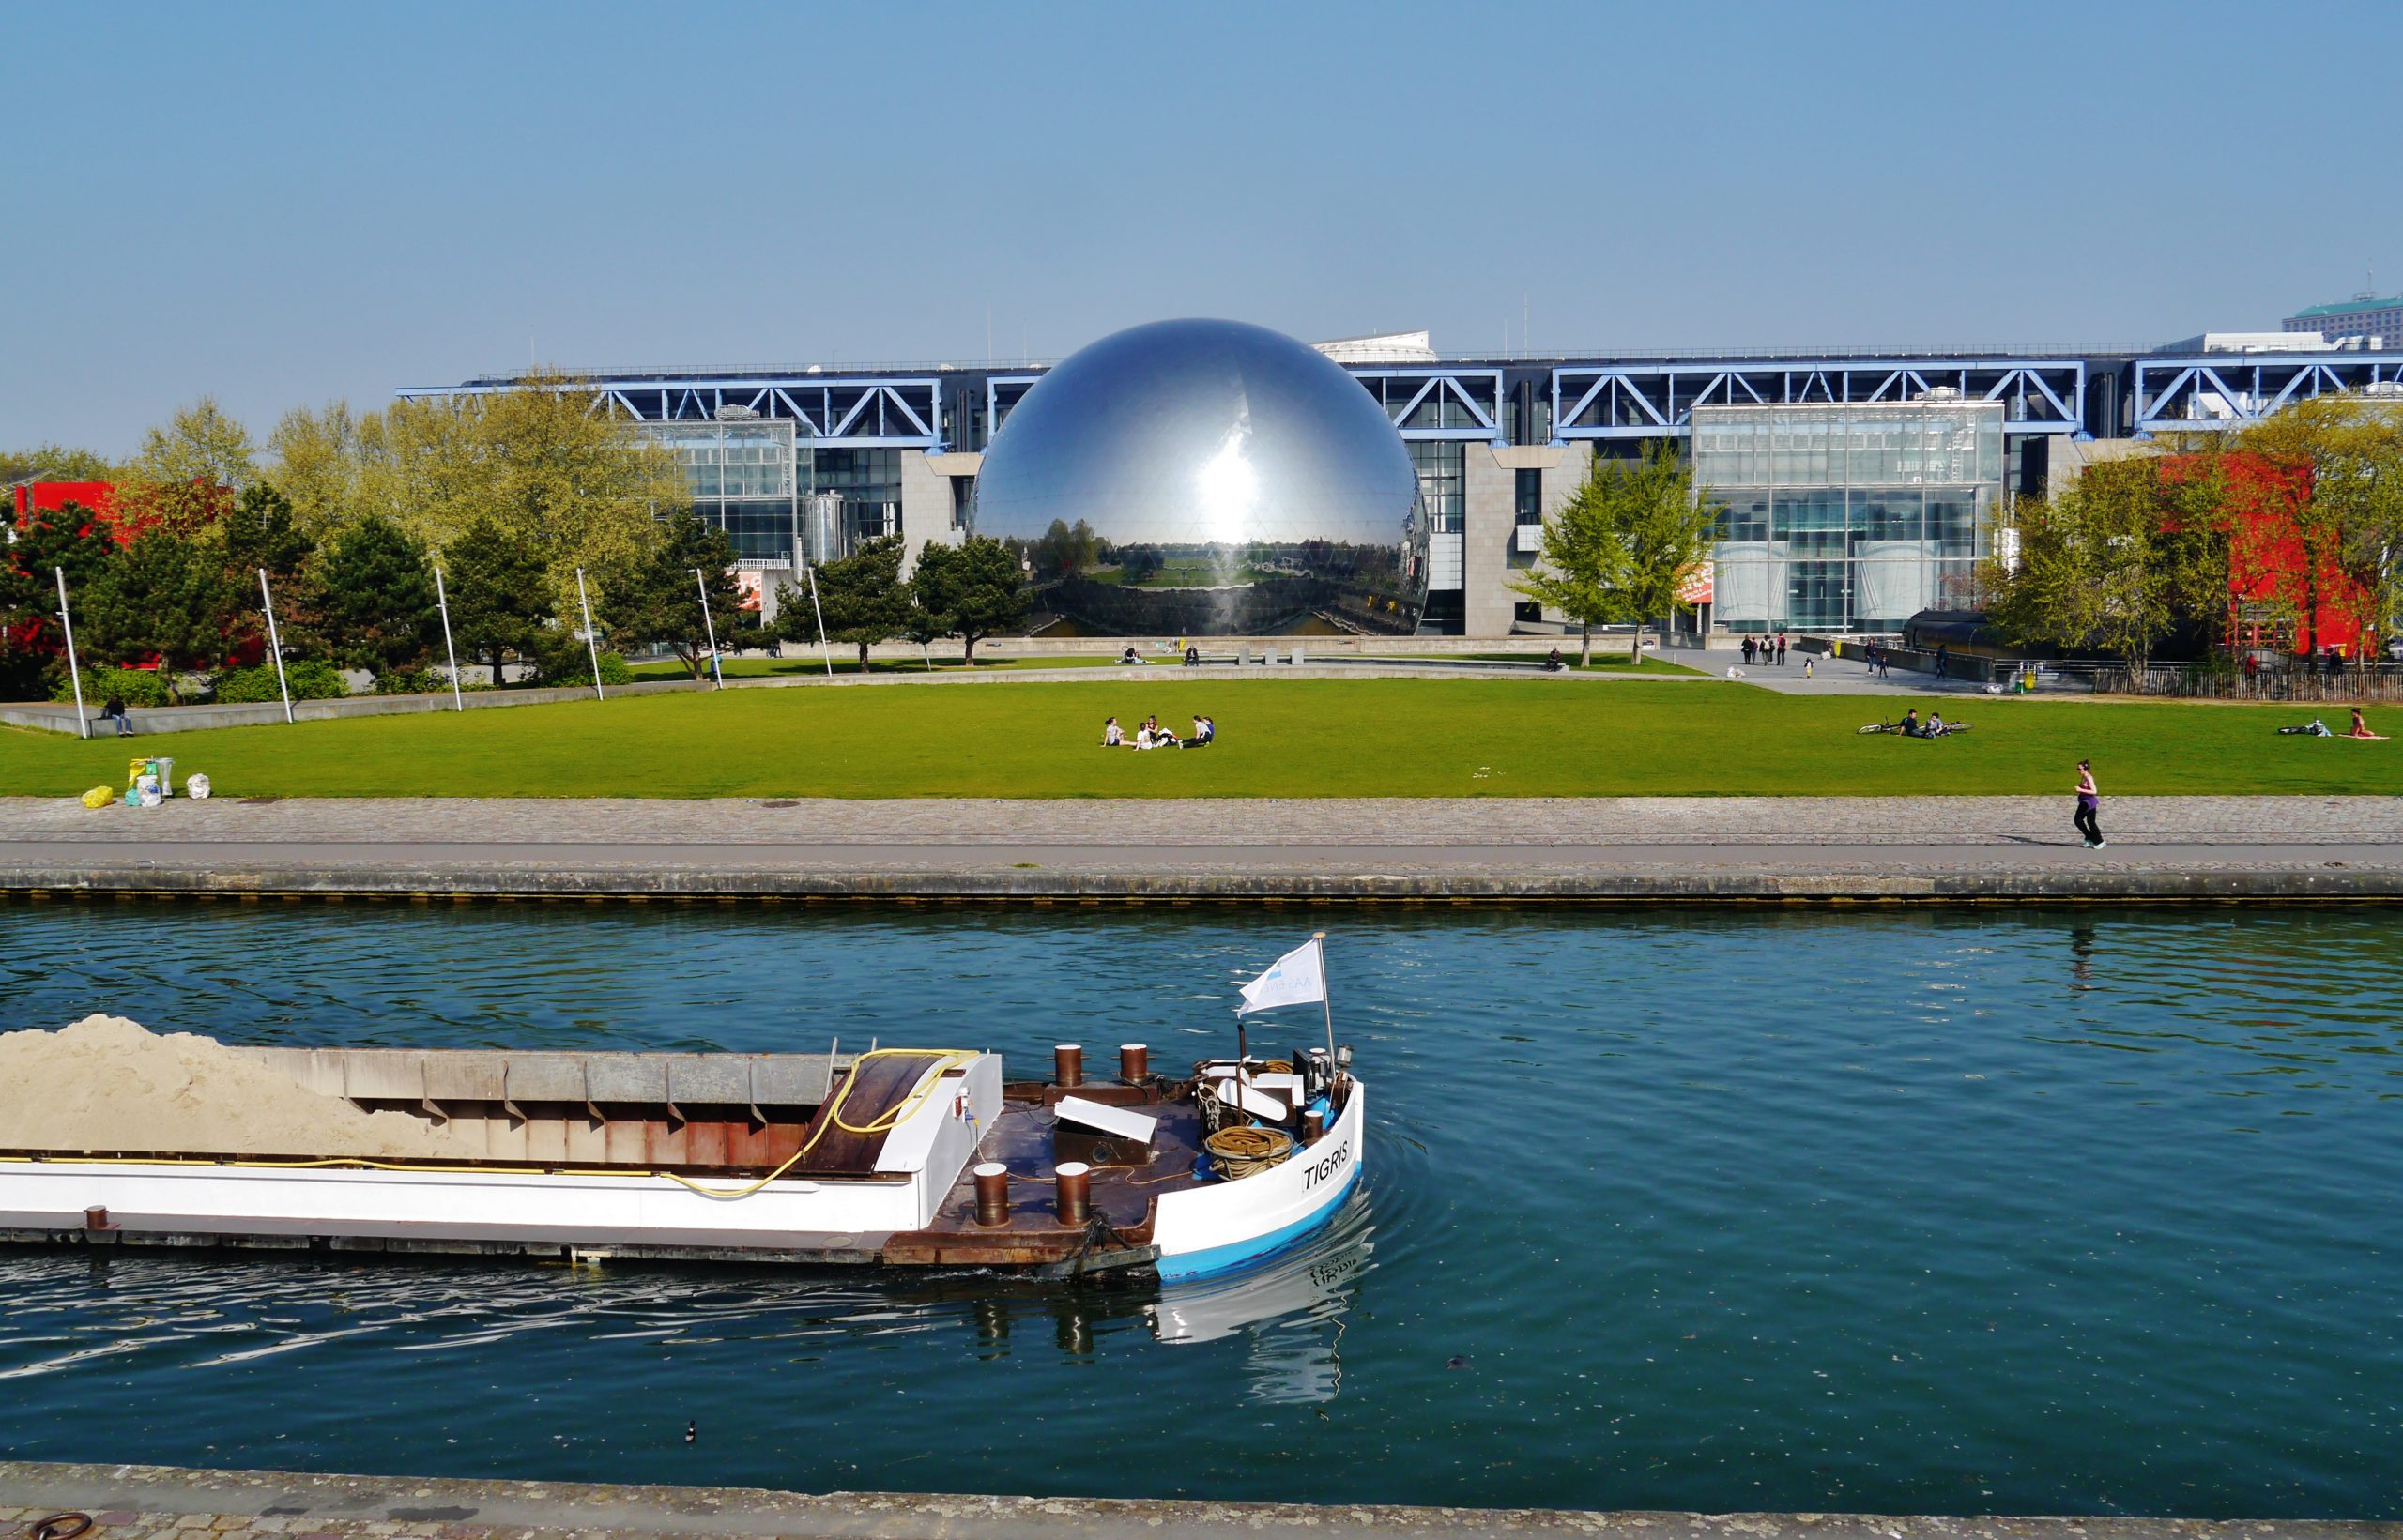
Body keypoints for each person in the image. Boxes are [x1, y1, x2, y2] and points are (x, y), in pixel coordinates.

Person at [2074, 760, 2104, 848]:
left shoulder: (2089, 778)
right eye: (2077, 769)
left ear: (2085, 769)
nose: (2078, 771)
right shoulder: (2083, 777)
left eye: (2079, 769)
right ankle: (2090, 837)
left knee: (2085, 821)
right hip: (2084, 801)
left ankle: (2099, 841)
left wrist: (2081, 790)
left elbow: (2094, 791)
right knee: (2083, 821)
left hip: (2089, 803)